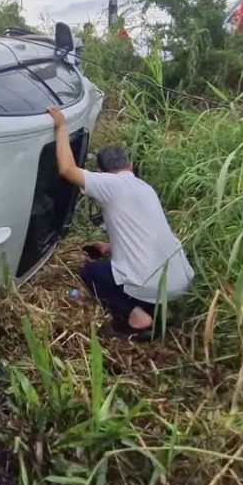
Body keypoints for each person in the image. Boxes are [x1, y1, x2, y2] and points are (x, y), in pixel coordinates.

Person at [46, 106, 194, 339]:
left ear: (102, 172)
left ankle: (137, 317)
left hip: (152, 287)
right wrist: (109, 248)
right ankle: (157, 309)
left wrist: (61, 126)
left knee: (92, 272)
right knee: (129, 273)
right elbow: (145, 234)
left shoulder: (110, 184)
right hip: (180, 282)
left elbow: (67, 169)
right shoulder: (146, 189)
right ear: (131, 166)